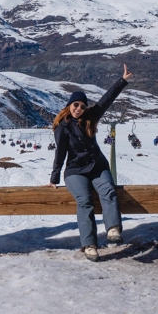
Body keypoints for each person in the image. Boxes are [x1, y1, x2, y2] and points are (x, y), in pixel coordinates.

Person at [47, 64, 133, 262]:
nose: (79, 109)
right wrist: (54, 177)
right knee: (85, 201)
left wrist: (123, 81)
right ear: (70, 105)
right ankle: (89, 245)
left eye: (82, 106)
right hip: (75, 170)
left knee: (108, 190)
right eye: (76, 105)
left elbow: (106, 100)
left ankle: (113, 228)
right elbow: (60, 153)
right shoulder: (62, 127)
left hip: (97, 165)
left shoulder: (90, 118)